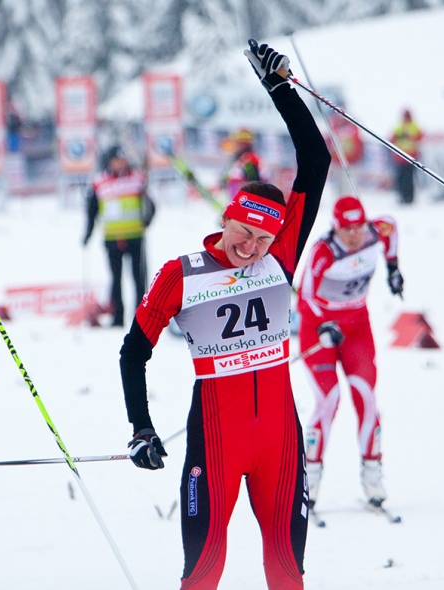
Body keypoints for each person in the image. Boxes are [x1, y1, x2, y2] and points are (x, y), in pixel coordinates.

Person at [120, 42, 330, 589]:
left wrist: (280, 88)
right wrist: (139, 425)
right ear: (226, 219)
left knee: (287, 573)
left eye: (263, 238)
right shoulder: (181, 274)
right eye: (243, 232)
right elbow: (133, 352)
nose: (250, 247)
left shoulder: (281, 258)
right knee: (204, 573)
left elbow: (317, 160)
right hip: (214, 441)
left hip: (281, 443)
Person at [296, 195, 403, 509]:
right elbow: (305, 297)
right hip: (321, 332)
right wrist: (323, 324)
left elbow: (393, 228)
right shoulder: (324, 251)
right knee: (329, 401)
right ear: (335, 227)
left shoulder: (375, 232)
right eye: (347, 229)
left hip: (357, 327)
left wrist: (393, 268)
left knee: (366, 397)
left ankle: (373, 476)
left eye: (359, 227)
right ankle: (310, 480)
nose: (355, 235)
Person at [83, 145, 155, 327]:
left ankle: (141, 316)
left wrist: (146, 221)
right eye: (117, 160)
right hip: (112, 237)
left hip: (135, 236)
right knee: (115, 279)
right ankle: (118, 317)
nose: (120, 163)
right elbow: (92, 210)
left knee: (139, 278)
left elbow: (150, 205)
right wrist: (88, 233)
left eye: (123, 160)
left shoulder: (138, 178)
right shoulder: (99, 181)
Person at [390, 109, 422, 205]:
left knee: (409, 179)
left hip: (410, 158)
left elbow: (419, 137)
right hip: (401, 158)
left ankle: (409, 198)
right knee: (401, 179)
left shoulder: (413, 126)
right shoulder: (400, 127)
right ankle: (403, 196)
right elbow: (392, 138)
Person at [220, 127, 261, 199]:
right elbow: (227, 175)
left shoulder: (248, 159)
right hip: (233, 195)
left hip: (242, 197)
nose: (235, 145)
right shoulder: (237, 158)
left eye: (238, 142)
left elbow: (254, 180)